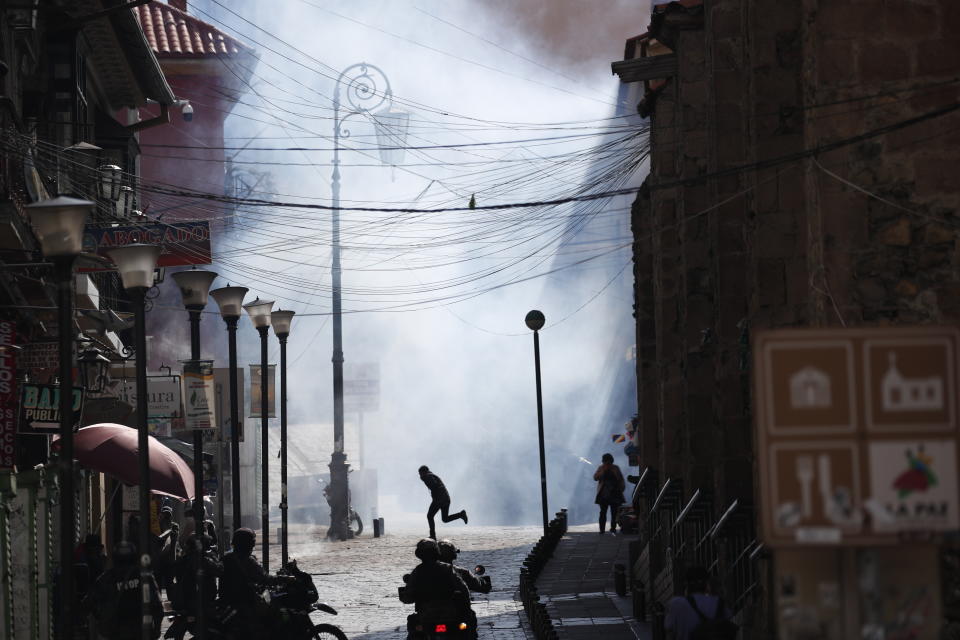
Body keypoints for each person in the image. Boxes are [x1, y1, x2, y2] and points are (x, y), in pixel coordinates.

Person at [85, 541, 162, 640]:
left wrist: (102, 617)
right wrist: (156, 630)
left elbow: (89, 603)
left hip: (116, 632)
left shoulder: (108, 578)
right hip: (140, 632)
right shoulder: (144, 576)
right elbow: (157, 606)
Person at [400, 539, 471, 638]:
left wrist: (406, 597)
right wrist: (466, 608)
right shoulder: (448, 569)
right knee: (466, 629)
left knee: (413, 629)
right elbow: (463, 589)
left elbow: (408, 597)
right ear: (436, 552)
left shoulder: (418, 571)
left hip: (427, 618)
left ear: (420, 554)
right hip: (450, 616)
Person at [664, 566, 735, 640]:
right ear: (707, 584)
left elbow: (670, 635)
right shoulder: (719, 603)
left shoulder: (676, 604)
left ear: (686, 584)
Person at [418, 465, 468, 540]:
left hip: (439, 499)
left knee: (430, 516)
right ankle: (461, 514)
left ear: (423, 472)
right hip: (446, 499)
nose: (420, 476)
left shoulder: (428, 476)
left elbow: (434, 485)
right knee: (445, 519)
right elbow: (436, 485)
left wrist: (425, 480)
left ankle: (433, 536)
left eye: (420, 473)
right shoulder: (432, 475)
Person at [593, 453, 625, 534]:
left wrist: (621, 489)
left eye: (608, 461)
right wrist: (603, 471)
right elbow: (595, 477)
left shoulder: (615, 468)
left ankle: (613, 528)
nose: (607, 463)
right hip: (604, 493)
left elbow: (620, 479)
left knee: (614, 512)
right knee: (603, 512)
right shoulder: (601, 468)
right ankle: (602, 529)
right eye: (606, 461)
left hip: (614, 492)